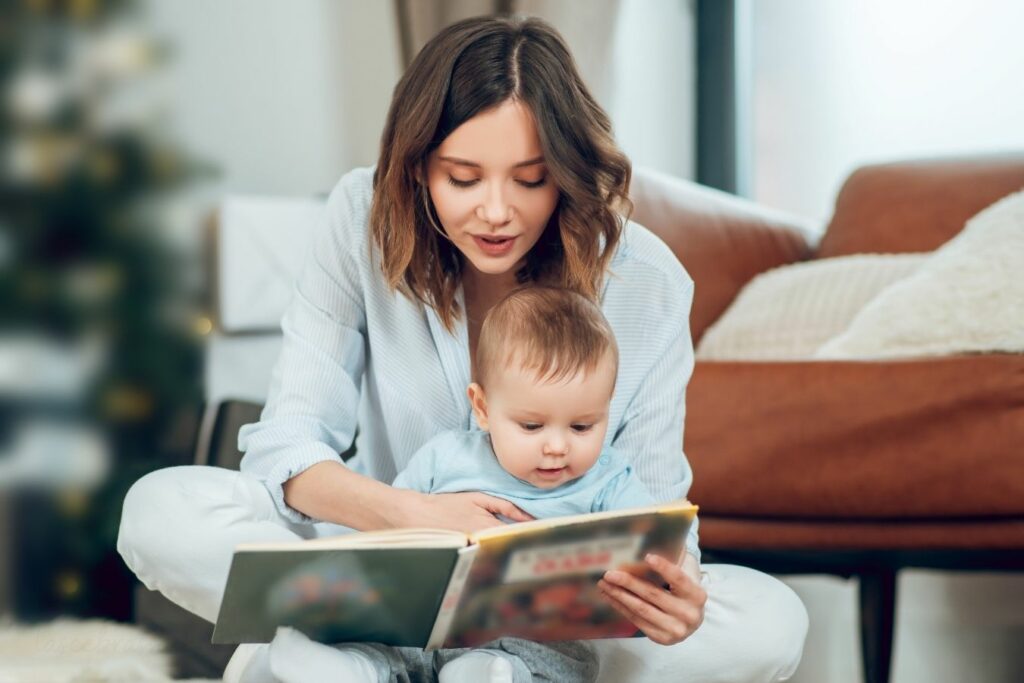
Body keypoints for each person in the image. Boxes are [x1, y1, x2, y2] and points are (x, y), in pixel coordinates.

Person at [117, 14, 808, 683]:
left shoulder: (646, 282)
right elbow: (288, 449)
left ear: (567, 171)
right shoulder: (362, 219)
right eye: (463, 177)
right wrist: (414, 515)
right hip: (379, 561)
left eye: (531, 178)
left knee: (771, 620)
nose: (497, 211)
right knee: (160, 510)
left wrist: (674, 589)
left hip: (550, 615)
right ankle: (365, 649)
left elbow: (658, 513)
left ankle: (336, 652)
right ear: (417, 169)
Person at [322, 286, 665, 682]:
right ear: (483, 409)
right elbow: (391, 530)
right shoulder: (445, 457)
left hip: (537, 633)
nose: (557, 447)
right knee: (378, 640)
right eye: (531, 426)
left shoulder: (609, 480)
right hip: (426, 621)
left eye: (582, 426)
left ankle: (490, 672)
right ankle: (347, 668)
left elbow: (658, 541)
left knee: (565, 661)